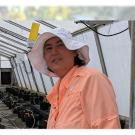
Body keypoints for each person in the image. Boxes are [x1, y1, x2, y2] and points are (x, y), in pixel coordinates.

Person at [28, 27, 121, 129]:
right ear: (45, 58)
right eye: (48, 48)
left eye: (60, 45)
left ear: (74, 51)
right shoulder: (58, 89)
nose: (54, 52)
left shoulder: (91, 79)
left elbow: (107, 126)